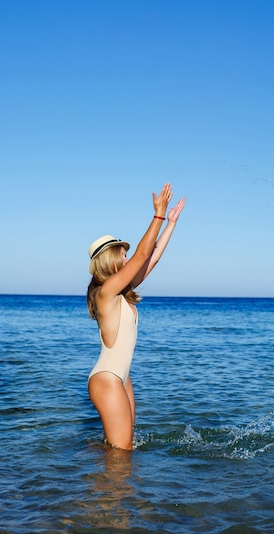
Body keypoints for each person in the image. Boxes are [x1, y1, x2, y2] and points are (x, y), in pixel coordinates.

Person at [87, 182, 185, 450]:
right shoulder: (105, 293)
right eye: (123, 253)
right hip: (107, 378)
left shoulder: (120, 292)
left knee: (120, 449)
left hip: (122, 377)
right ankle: (96, 490)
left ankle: (90, 479)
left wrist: (171, 224)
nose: (129, 257)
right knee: (122, 456)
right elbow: (143, 254)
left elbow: (150, 259)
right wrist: (158, 214)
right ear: (110, 260)